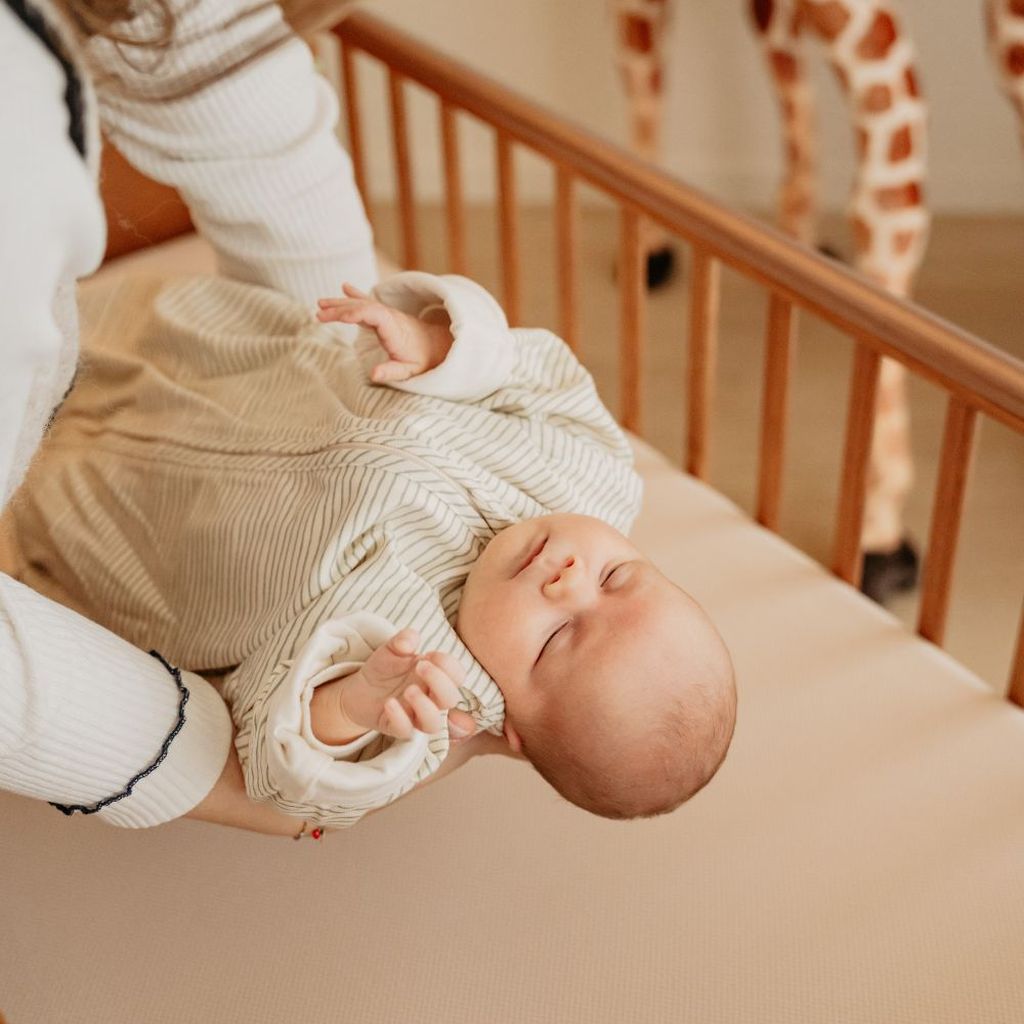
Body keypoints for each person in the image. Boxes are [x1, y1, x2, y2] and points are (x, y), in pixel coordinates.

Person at [9, 268, 738, 828]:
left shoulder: (421, 686)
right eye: (616, 575)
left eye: (557, 639)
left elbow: (284, 764)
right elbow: (544, 374)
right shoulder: (591, 472)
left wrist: (351, 709)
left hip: (125, 523)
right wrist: (447, 351)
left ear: (510, 725)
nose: (568, 578)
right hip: (211, 366)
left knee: (27, 481)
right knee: (56, 312)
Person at [0, 0, 415, 836]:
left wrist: (334, 344)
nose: (573, 581)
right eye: (616, 579)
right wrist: (193, 762)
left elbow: (216, 61)